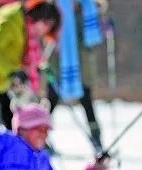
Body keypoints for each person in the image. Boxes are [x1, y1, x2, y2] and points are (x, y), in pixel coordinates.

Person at [0, 0, 61, 136]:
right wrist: (12, 71)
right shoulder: (12, 21)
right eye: (47, 24)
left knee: (13, 126)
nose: (45, 30)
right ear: (40, 15)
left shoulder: (27, 30)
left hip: (1, 81)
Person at [43, 0, 107, 153]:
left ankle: (96, 139)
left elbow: (95, 33)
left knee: (87, 101)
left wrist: (105, 25)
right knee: (51, 99)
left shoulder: (88, 6)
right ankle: (39, 136)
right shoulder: (54, 6)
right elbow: (45, 28)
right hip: (58, 60)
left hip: (82, 62)